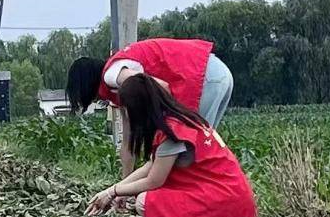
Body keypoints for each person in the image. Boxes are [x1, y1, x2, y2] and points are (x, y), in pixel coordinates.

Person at [85, 74, 256, 217]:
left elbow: (153, 180)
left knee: (145, 202)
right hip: (225, 193)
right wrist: (115, 190)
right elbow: (150, 166)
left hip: (222, 198)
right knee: (146, 198)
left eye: (127, 107)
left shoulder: (172, 132)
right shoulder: (179, 120)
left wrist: (113, 192)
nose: (126, 113)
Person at [67, 38, 234, 174]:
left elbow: (162, 87)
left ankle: (205, 199)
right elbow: (128, 141)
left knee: (192, 150)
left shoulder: (113, 75)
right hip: (216, 72)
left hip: (202, 76)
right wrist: (125, 184)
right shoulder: (118, 86)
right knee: (204, 145)